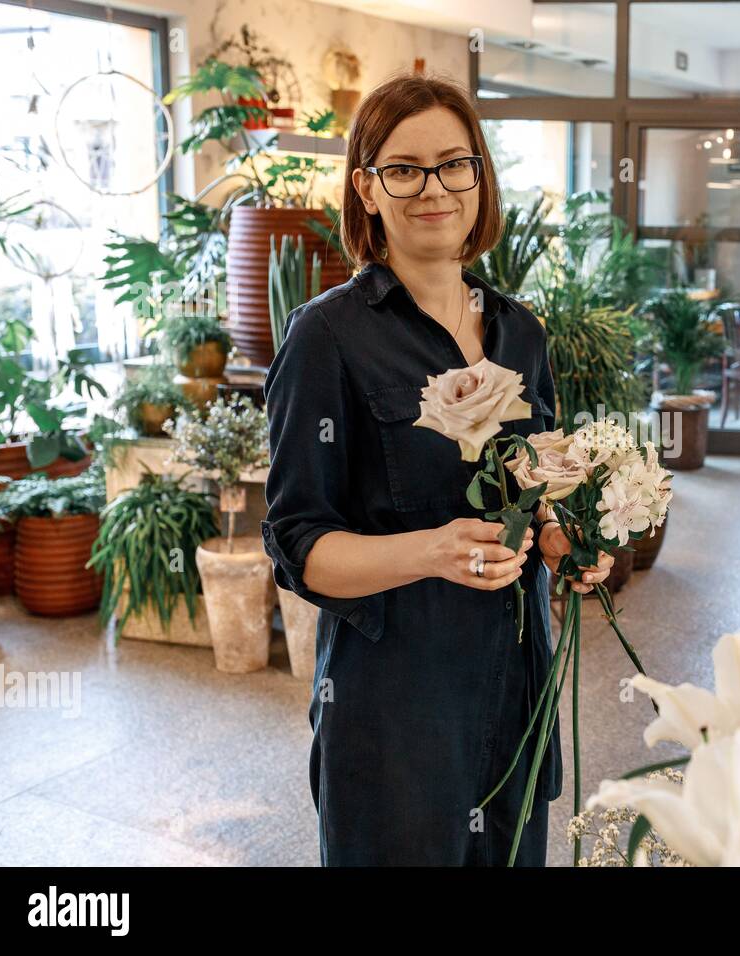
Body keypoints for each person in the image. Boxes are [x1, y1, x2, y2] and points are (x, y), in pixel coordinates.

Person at [260, 72, 612, 866]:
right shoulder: (328, 337)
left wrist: (564, 544)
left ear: (479, 177)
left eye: (455, 164)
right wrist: (430, 550)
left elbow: (538, 489)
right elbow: (297, 544)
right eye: (404, 169)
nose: (434, 189)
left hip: (515, 687)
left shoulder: (522, 331)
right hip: (394, 708)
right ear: (367, 187)